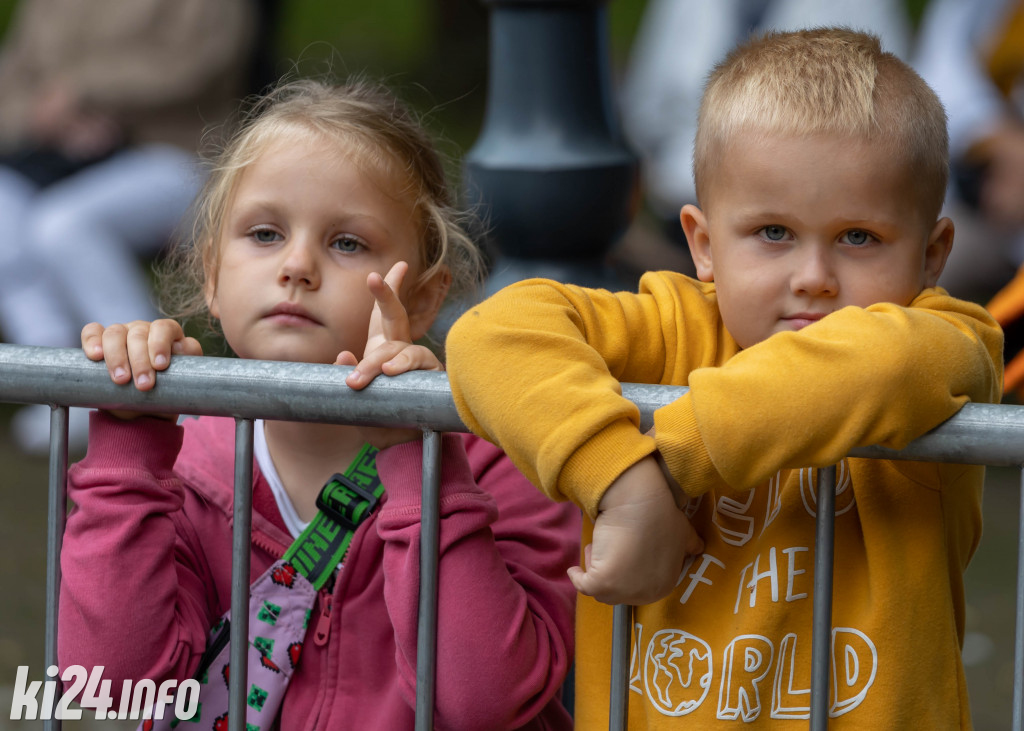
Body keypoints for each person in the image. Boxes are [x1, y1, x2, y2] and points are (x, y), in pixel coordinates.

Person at [446, 28, 1004, 729]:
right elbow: (491, 333)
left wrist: (671, 465)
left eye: (858, 238)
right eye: (773, 232)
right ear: (704, 245)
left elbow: (892, 359)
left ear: (932, 254)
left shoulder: (948, 339)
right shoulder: (672, 328)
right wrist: (619, 477)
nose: (813, 278)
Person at [58, 78, 579, 730]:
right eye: (266, 232)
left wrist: (426, 471)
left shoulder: (507, 464)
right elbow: (109, 685)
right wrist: (130, 442)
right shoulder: (182, 471)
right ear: (212, 272)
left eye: (347, 243)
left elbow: (485, 701)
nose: (298, 265)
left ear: (420, 298)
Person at [0, 0, 256, 454]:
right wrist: (48, 119)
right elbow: (14, 77)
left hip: (178, 158)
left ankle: (154, 378)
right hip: (55, 157)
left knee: (66, 224)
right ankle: (57, 369)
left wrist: (87, 96)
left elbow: (198, 62)